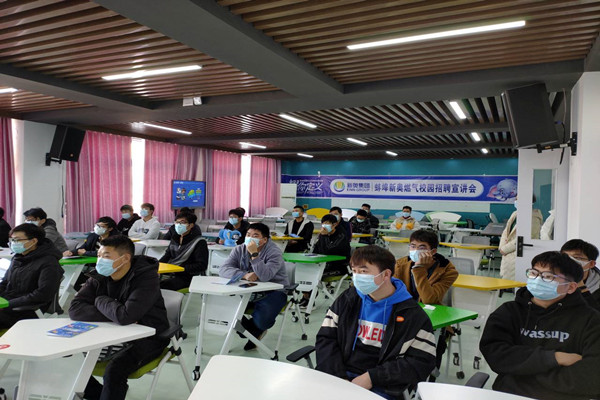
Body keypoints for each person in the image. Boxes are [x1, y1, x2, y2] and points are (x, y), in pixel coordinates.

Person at [315, 245, 436, 399]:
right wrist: (338, 375)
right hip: (339, 374)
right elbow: (326, 339)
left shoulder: (412, 314)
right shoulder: (348, 300)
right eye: (354, 271)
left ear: (386, 274)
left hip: (383, 385)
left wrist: (371, 378)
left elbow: (421, 361)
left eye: (363, 271)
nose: (357, 277)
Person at [480, 251, 600, 400]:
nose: (538, 280)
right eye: (534, 273)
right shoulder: (509, 312)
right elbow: (496, 354)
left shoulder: (590, 320)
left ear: (570, 287)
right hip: (510, 395)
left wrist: (521, 376)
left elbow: (592, 375)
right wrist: (554, 358)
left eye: (548, 277)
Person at [69, 235, 170, 400]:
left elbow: (126, 316)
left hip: (148, 336)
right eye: (99, 255)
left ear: (125, 258)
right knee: (67, 357)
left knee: (114, 370)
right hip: (110, 333)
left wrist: (100, 300)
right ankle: (100, 395)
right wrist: (115, 313)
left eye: (106, 256)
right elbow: (75, 309)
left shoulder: (146, 277)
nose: (100, 261)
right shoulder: (99, 276)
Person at [219, 223, 288, 351]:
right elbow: (223, 269)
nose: (250, 238)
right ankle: (253, 333)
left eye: (255, 236)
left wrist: (254, 255)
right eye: (248, 234)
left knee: (262, 321)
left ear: (264, 240)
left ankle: (256, 330)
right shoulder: (239, 249)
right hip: (246, 289)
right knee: (224, 306)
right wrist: (244, 275)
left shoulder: (274, 252)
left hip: (273, 291)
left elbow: (265, 276)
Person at [0, 223, 63, 328]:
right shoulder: (18, 258)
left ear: (33, 241)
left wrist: (8, 304)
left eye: (17, 240)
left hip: (27, 309)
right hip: (10, 303)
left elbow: (42, 294)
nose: (13, 243)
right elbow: (5, 282)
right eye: (12, 240)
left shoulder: (49, 262)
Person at [393, 230, 458, 305]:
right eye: (413, 246)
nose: (415, 250)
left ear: (433, 251)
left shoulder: (448, 271)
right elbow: (394, 293)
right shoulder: (400, 265)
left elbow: (429, 300)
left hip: (430, 310)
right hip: (404, 307)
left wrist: (419, 268)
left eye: (421, 248)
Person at [159, 211, 208, 291]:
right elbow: (167, 255)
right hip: (171, 272)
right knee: (148, 281)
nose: (178, 225)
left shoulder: (199, 242)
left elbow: (201, 265)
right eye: (177, 222)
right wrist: (156, 267)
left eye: (182, 223)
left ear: (191, 225)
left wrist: (180, 268)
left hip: (187, 276)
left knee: (161, 286)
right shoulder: (175, 238)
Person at [560, 239, 600, 310]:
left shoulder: (597, 287)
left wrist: (581, 287)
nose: (569, 261)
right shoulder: (552, 278)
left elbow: (595, 314)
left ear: (591, 264)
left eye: (577, 258)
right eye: (565, 256)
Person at [499, 201, 518, 280]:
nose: (516, 201)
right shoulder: (515, 214)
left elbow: (523, 238)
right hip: (507, 252)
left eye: (518, 199)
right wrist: (502, 247)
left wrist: (505, 249)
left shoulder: (533, 217)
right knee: (505, 278)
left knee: (513, 280)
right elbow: (506, 232)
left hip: (515, 252)